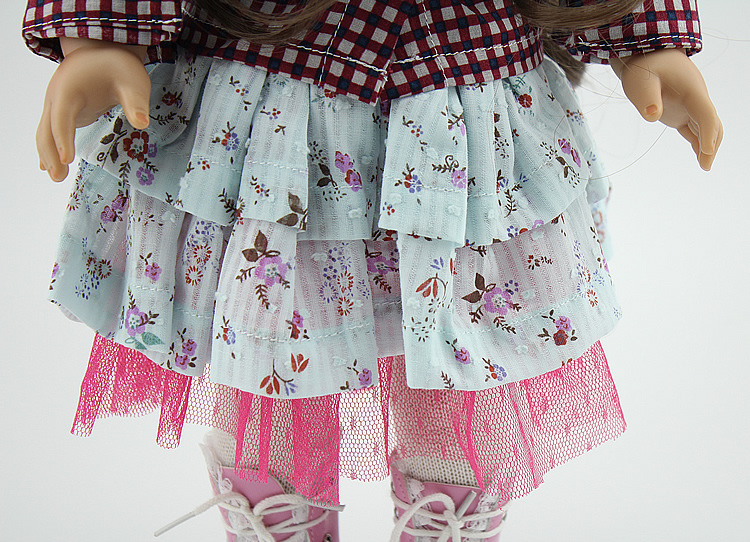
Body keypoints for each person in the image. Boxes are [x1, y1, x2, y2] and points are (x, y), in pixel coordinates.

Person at [23, 0, 721, 539]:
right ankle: (277, 517)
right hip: (276, 106)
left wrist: (646, 40)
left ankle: (445, 517)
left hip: (465, 106)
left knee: (457, 352)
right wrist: (99, 36)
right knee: (274, 340)